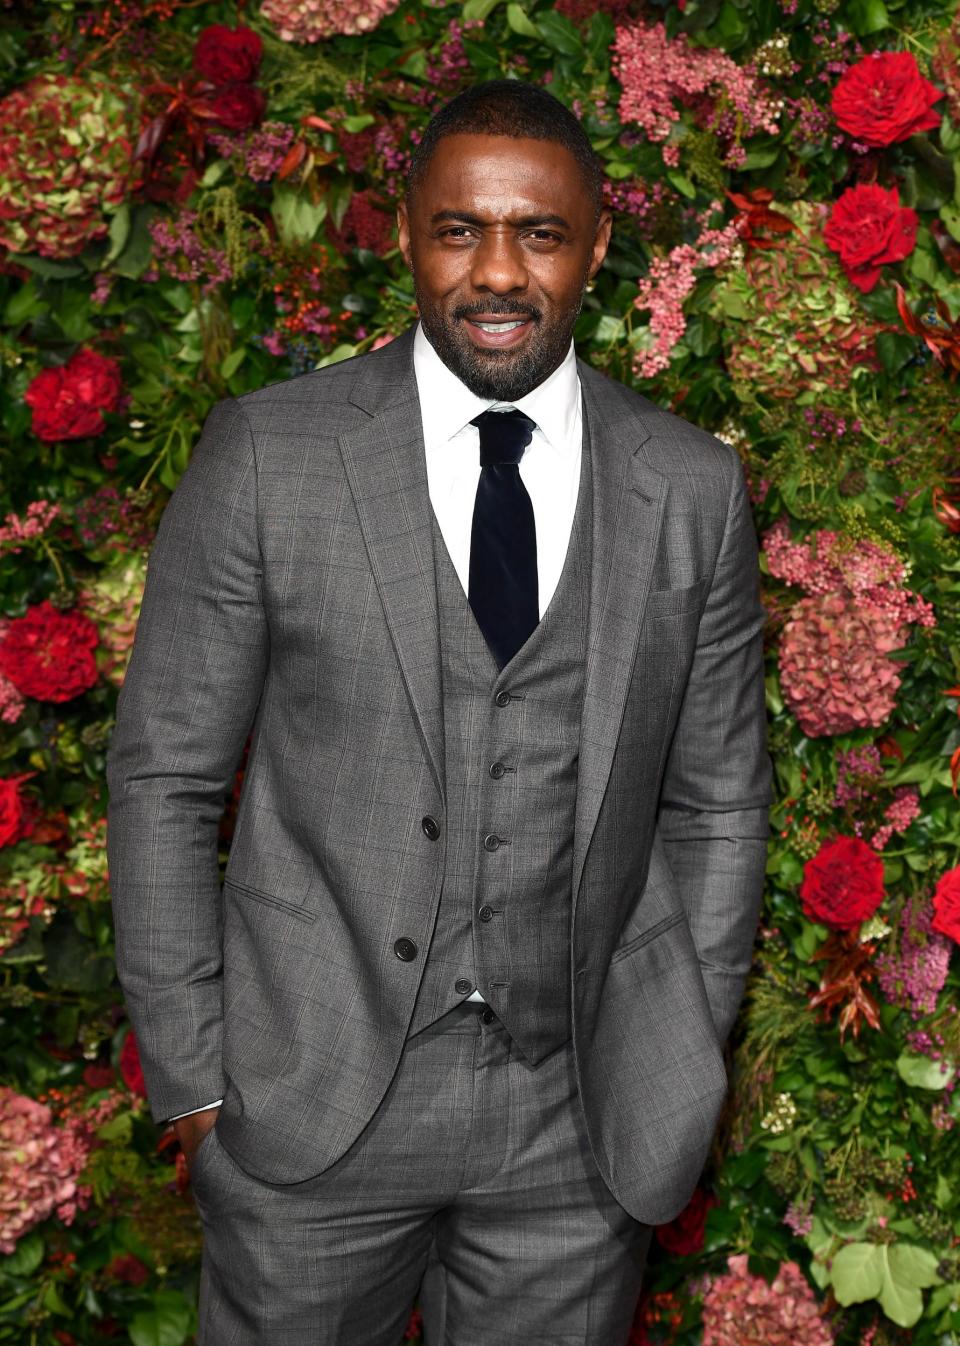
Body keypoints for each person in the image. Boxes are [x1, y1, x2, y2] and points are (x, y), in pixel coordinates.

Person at [106, 78, 772, 1346]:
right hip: (310, 1096)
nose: (498, 272)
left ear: (596, 248)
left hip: (579, 1123)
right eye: (461, 229)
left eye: (540, 233)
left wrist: (681, 1035)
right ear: (406, 231)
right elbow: (166, 775)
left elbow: (719, 795)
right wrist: (197, 1074)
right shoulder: (270, 454)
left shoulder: (689, 486)